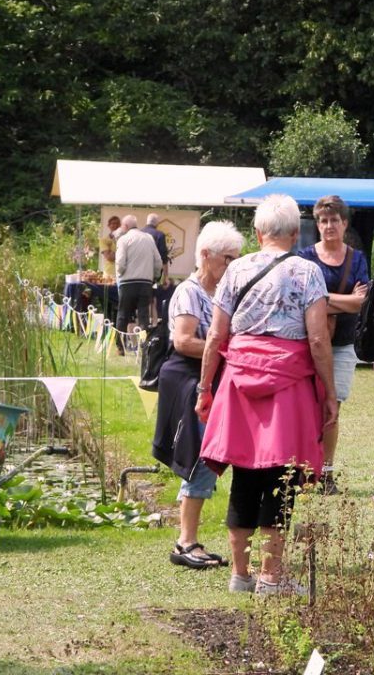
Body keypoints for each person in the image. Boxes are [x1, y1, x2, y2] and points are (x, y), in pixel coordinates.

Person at [195, 194, 337, 596]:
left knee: (244, 472)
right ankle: (271, 577)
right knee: (281, 475)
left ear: (258, 233)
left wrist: (205, 388)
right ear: (295, 234)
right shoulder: (307, 272)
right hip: (289, 385)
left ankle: (240, 575)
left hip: (239, 381)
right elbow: (318, 339)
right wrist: (327, 392)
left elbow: (216, 336)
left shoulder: (235, 270)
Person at [152, 221, 244, 569]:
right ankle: (185, 542)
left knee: (208, 453)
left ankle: (187, 539)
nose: (232, 265)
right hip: (187, 378)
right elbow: (183, 341)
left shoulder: (224, 290)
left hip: (211, 377)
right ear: (205, 255)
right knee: (203, 455)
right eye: (227, 258)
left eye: (237, 259)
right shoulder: (189, 292)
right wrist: (228, 350)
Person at [299, 195, 370, 494]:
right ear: (317, 224)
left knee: (332, 407)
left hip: (341, 345)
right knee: (304, 407)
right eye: (324, 220)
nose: (329, 225)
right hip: (306, 341)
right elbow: (301, 300)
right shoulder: (304, 257)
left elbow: (360, 303)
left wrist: (323, 301)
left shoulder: (356, 259)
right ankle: (301, 470)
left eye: (334, 220)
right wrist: (344, 301)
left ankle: (326, 473)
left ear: (344, 224)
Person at [114, 214, 163, 356]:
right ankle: (144, 347)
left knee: (123, 314)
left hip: (127, 282)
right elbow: (158, 261)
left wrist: (120, 273)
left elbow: (120, 262)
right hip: (145, 283)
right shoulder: (149, 238)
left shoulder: (123, 239)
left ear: (125, 226)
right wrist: (154, 277)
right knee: (143, 316)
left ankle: (120, 347)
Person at [141, 213, 173, 323]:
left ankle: (139, 325)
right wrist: (166, 277)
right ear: (157, 223)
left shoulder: (139, 233)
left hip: (137, 274)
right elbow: (163, 258)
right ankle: (154, 323)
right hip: (152, 275)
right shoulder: (159, 235)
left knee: (139, 300)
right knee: (152, 298)